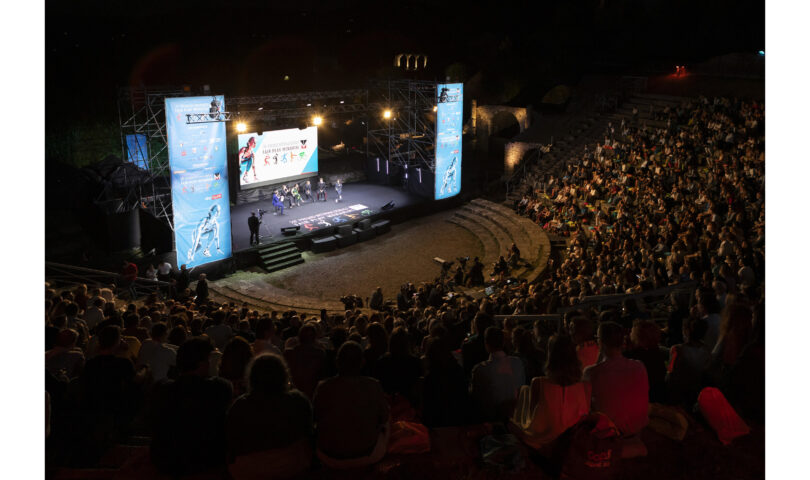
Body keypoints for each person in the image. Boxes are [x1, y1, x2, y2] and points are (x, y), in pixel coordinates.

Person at [150, 338, 233, 477]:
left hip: (168, 464)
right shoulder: (220, 388)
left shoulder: (161, 389)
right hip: (208, 464)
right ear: (202, 364)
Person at [226, 354, 314, 479]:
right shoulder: (298, 401)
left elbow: (231, 440)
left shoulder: (240, 406)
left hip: (247, 469)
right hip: (290, 465)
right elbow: (308, 433)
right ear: (283, 375)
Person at [312, 341, 390, 469]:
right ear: (362, 362)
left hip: (328, 455)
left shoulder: (323, 387)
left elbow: (314, 417)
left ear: (337, 362)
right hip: (367, 453)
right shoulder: (373, 385)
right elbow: (384, 417)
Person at [510, 334, 591, 451]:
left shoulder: (539, 383)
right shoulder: (585, 387)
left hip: (544, 442)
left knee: (523, 393)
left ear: (550, 356)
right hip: (573, 444)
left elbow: (532, 417)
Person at [583, 321, 649, 437]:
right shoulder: (639, 366)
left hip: (609, 432)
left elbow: (584, 404)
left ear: (600, 342)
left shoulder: (591, 372)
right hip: (637, 429)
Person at [470, 327, 526, 423]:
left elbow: (476, 399)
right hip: (517, 418)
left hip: (492, 421)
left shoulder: (480, 370)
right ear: (503, 342)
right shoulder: (517, 362)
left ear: (486, 344)